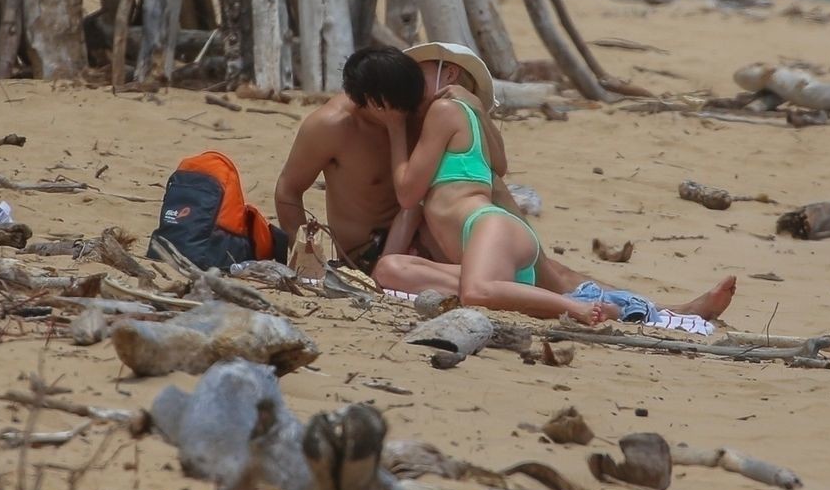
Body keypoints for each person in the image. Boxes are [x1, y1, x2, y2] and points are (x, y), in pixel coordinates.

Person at [271, 45, 736, 319]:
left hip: (429, 234)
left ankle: (664, 310)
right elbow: (288, 192)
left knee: (550, 267)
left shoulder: (420, 118)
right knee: (537, 278)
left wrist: (476, 107)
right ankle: (612, 304)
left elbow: (496, 166)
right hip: (375, 250)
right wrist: (304, 255)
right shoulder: (332, 125)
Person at [359, 47, 618, 324]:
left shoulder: (444, 109)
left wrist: (395, 126)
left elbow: (407, 195)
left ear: (450, 73)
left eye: (418, 74)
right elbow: (500, 164)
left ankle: (576, 307)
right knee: (389, 269)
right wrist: (479, 110)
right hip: (487, 247)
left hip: (488, 226)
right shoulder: (458, 117)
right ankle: (516, 293)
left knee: (475, 292)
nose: (408, 83)